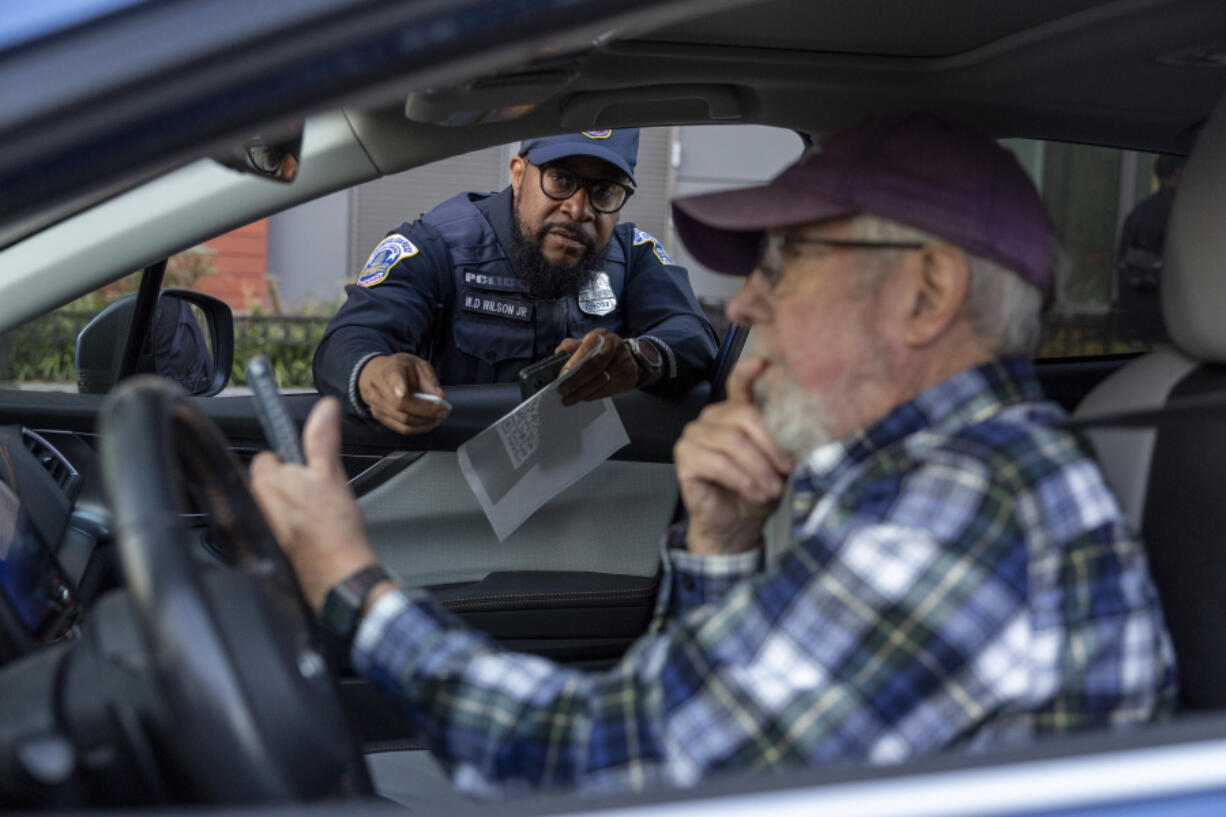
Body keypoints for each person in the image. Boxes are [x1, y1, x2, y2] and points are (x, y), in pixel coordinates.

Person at [251, 112, 1175, 796]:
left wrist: (354, 588)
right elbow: (727, 737)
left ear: (927, 293)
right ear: (517, 169)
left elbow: (610, 757)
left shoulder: (966, 516)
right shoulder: (926, 478)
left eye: (784, 265)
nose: (747, 305)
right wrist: (722, 548)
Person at [312, 129, 718, 434]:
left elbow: (693, 334)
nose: (578, 209)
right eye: (560, 179)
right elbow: (349, 340)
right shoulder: (437, 246)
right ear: (518, 174)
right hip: (446, 483)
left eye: (605, 191)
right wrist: (375, 374)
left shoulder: (632, 254)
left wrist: (639, 358)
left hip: (592, 496)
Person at [1112, 154, 1185, 344]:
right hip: (1168, 326)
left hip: (1137, 324)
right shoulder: (1183, 213)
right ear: (1178, 174)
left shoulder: (1141, 211)